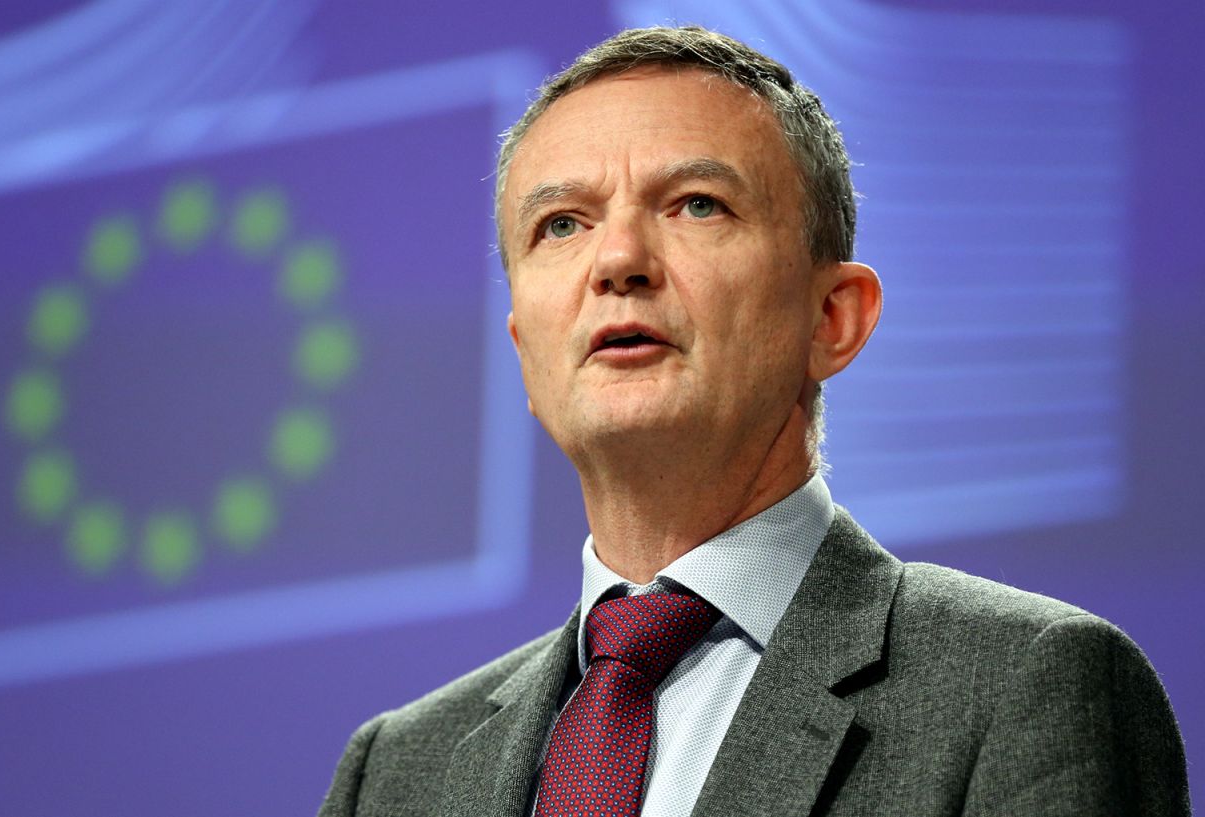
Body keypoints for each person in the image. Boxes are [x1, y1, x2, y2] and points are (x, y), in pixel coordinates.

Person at [318, 26, 1189, 817]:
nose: (618, 261)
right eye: (562, 223)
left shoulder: (1024, 687)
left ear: (833, 318)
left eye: (697, 203)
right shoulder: (395, 774)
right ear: (525, 352)